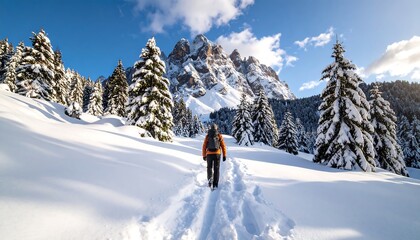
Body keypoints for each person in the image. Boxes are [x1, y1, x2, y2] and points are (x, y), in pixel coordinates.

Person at [202, 123, 227, 189]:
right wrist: (224, 155)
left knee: (209, 167)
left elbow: (204, 146)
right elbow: (223, 146)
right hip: (217, 154)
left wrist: (204, 155)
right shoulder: (219, 135)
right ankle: (215, 184)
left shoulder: (207, 136)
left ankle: (210, 181)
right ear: (216, 128)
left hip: (209, 154)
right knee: (216, 169)